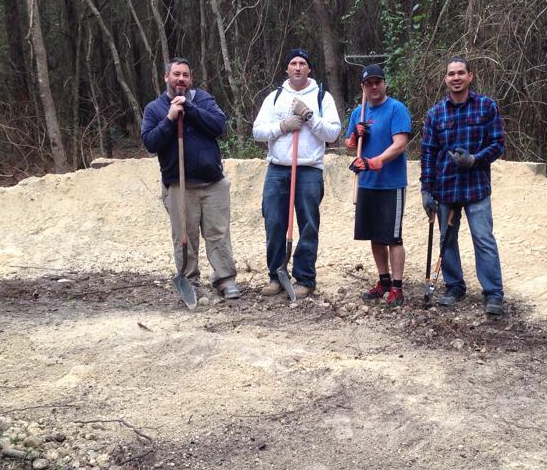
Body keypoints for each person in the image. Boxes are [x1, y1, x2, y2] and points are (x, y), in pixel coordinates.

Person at [141, 58, 241, 299]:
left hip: (212, 183)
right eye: (176, 74)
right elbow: (150, 143)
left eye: (185, 75)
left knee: (218, 233)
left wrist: (190, 109)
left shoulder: (203, 100)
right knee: (184, 236)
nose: (181, 79)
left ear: (191, 79)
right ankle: (189, 280)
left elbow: (219, 125)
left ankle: (225, 279)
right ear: (166, 77)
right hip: (179, 185)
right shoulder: (154, 109)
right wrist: (170, 119)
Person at [420, 57, 507, 316]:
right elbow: (428, 153)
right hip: (445, 188)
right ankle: (454, 287)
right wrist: (426, 189)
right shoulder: (435, 113)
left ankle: (493, 293)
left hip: (476, 187)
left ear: (470, 76)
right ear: (445, 79)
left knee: (483, 239)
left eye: (461, 73)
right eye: (451, 74)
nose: (455, 78)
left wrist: (475, 159)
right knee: (447, 241)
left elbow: (498, 144)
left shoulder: (486, 106)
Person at [252, 48, 341, 297]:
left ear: (309, 69)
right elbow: (258, 131)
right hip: (278, 169)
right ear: (287, 69)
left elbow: (333, 134)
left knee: (308, 225)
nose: (298, 67)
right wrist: (283, 126)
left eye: (303, 63)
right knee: (274, 223)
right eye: (293, 63)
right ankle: (276, 276)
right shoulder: (275, 97)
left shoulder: (323, 97)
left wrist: (309, 116)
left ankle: (305, 278)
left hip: (309, 170)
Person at [345, 65, 412, 307]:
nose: (374, 87)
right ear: (363, 87)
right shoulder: (358, 113)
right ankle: (383, 280)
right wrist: (355, 136)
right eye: (368, 83)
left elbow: (400, 144)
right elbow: (349, 145)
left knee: (393, 237)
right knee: (375, 236)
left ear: (384, 83)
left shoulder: (396, 109)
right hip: (366, 184)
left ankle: (397, 287)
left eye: (378, 82)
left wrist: (373, 162)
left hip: (390, 184)